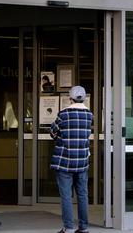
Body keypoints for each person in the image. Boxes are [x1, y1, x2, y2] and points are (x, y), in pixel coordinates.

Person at [49, 86, 93, 233]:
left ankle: (68, 228)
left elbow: (52, 132)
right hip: (82, 161)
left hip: (65, 161)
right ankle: (84, 227)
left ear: (70, 98)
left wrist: (60, 136)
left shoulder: (64, 114)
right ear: (84, 98)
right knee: (82, 194)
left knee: (66, 196)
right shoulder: (89, 115)